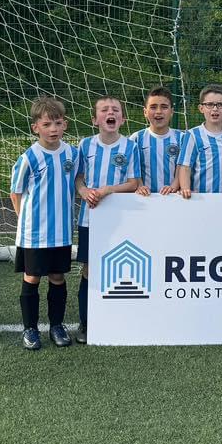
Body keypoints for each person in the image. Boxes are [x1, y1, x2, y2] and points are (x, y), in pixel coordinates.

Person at [9, 96, 79, 350]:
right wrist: (25, 221)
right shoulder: (29, 158)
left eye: (58, 123)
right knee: (32, 277)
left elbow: (78, 180)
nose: (53, 129)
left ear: (65, 124)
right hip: (35, 233)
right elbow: (15, 193)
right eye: (47, 124)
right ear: (35, 127)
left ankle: (57, 326)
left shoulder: (72, 153)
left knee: (58, 277)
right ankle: (30, 329)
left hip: (61, 232)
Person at [73, 95, 142, 344]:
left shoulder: (130, 147)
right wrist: (83, 191)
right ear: (95, 120)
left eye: (115, 110)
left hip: (121, 219)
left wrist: (108, 190)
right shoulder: (85, 145)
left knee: (121, 268)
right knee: (90, 269)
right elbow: (79, 178)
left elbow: (134, 183)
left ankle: (119, 318)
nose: (110, 112)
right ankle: (86, 322)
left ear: (122, 119)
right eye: (104, 110)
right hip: (90, 219)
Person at [177, 84, 222, 194]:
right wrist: (185, 189)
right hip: (202, 199)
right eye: (210, 104)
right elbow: (185, 167)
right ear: (201, 108)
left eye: (220, 105)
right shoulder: (193, 135)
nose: (215, 109)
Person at [128, 85, 190, 198]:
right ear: (145, 112)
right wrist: (140, 186)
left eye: (164, 107)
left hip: (174, 198)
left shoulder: (182, 138)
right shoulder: (136, 138)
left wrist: (174, 186)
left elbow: (184, 168)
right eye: (153, 107)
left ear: (172, 111)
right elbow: (133, 169)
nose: (158, 111)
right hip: (145, 199)